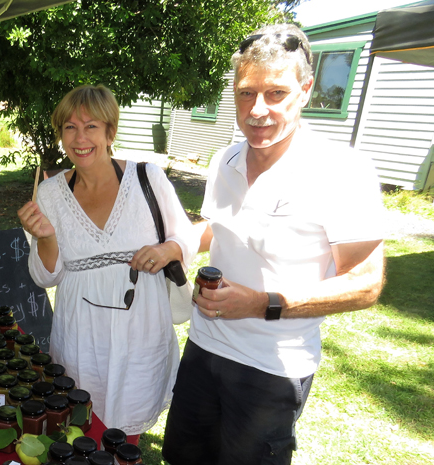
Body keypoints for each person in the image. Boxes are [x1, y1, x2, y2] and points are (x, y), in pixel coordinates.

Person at [161, 24, 385, 465]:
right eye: (246, 93)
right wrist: (177, 245)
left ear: (304, 90)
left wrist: (263, 303)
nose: (257, 110)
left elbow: (365, 284)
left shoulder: (343, 169)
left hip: (272, 368)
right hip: (204, 346)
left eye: (275, 93)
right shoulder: (224, 158)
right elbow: (218, 227)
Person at [17, 84, 196, 439]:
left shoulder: (148, 178)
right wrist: (46, 237)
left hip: (139, 330)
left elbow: (186, 238)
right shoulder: (50, 192)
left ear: (110, 132)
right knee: (78, 428)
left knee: (124, 436)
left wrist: (166, 251)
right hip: (81, 335)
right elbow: (45, 277)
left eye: (91, 126)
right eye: (70, 127)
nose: (80, 137)